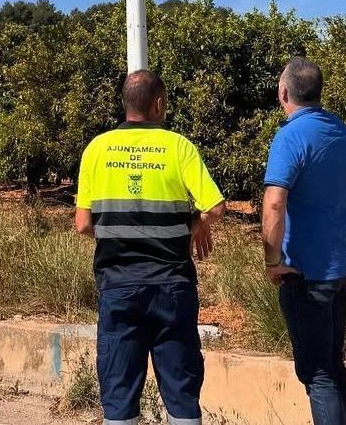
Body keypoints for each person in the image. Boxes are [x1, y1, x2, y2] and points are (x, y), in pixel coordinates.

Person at [75, 69, 226, 425]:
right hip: (172, 287)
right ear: (159, 104)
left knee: (119, 394)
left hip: (118, 287)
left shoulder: (96, 148)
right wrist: (197, 223)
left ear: (125, 104)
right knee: (181, 391)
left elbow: (83, 224)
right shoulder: (178, 147)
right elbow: (216, 207)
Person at [261, 57, 346, 425]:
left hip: (309, 273)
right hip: (344, 269)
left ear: (283, 92)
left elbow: (274, 201)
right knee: (333, 366)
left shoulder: (291, 136)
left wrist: (272, 261)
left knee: (318, 374)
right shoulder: (338, 129)